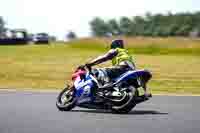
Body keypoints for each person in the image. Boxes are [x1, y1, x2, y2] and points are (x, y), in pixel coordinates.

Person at [85, 39, 151, 98]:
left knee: (98, 71)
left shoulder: (116, 50)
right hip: (130, 70)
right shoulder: (126, 52)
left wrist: (91, 63)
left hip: (121, 68)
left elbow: (104, 57)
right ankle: (143, 93)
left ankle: (106, 86)